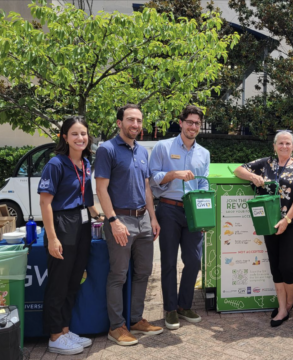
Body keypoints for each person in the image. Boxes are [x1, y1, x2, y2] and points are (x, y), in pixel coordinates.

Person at [95, 104, 163, 346]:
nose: (135, 124)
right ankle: (116, 327)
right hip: (120, 220)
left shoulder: (142, 151)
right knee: (119, 275)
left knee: (143, 272)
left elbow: (146, 188)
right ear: (119, 123)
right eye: (130, 120)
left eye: (139, 120)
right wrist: (112, 221)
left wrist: (153, 218)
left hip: (143, 219)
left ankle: (135, 320)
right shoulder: (107, 149)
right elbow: (101, 189)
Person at [38, 116, 103, 355]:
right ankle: (55, 336)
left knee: (74, 281)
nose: (80, 138)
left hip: (82, 225)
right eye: (74, 134)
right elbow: (45, 203)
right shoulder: (56, 164)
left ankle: (65, 330)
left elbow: (88, 201)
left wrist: (102, 217)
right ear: (64, 137)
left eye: (84, 134)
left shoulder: (86, 163)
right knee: (58, 284)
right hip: (61, 224)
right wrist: (52, 238)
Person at [233, 130, 293, 327]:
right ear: (275, 146)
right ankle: (282, 307)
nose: (284, 146)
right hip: (268, 222)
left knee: (288, 266)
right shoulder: (266, 164)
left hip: (292, 222)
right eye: (280, 143)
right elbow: (237, 170)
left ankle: (290, 300)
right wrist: (253, 177)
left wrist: (286, 219)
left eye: (288, 143)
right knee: (275, 266)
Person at [149, 105, 210, 330]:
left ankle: (185, 305)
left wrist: (204, 216)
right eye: (190, 122)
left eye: (197, 123)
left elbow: (203, 184)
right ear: (181, 122)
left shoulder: (204, 153)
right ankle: (170, 309)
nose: (193, 126)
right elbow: (152, 178)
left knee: (194, 260)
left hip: (193, 211)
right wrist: (174, 174)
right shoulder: (163, 147)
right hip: (169, 209)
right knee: (168, 262)